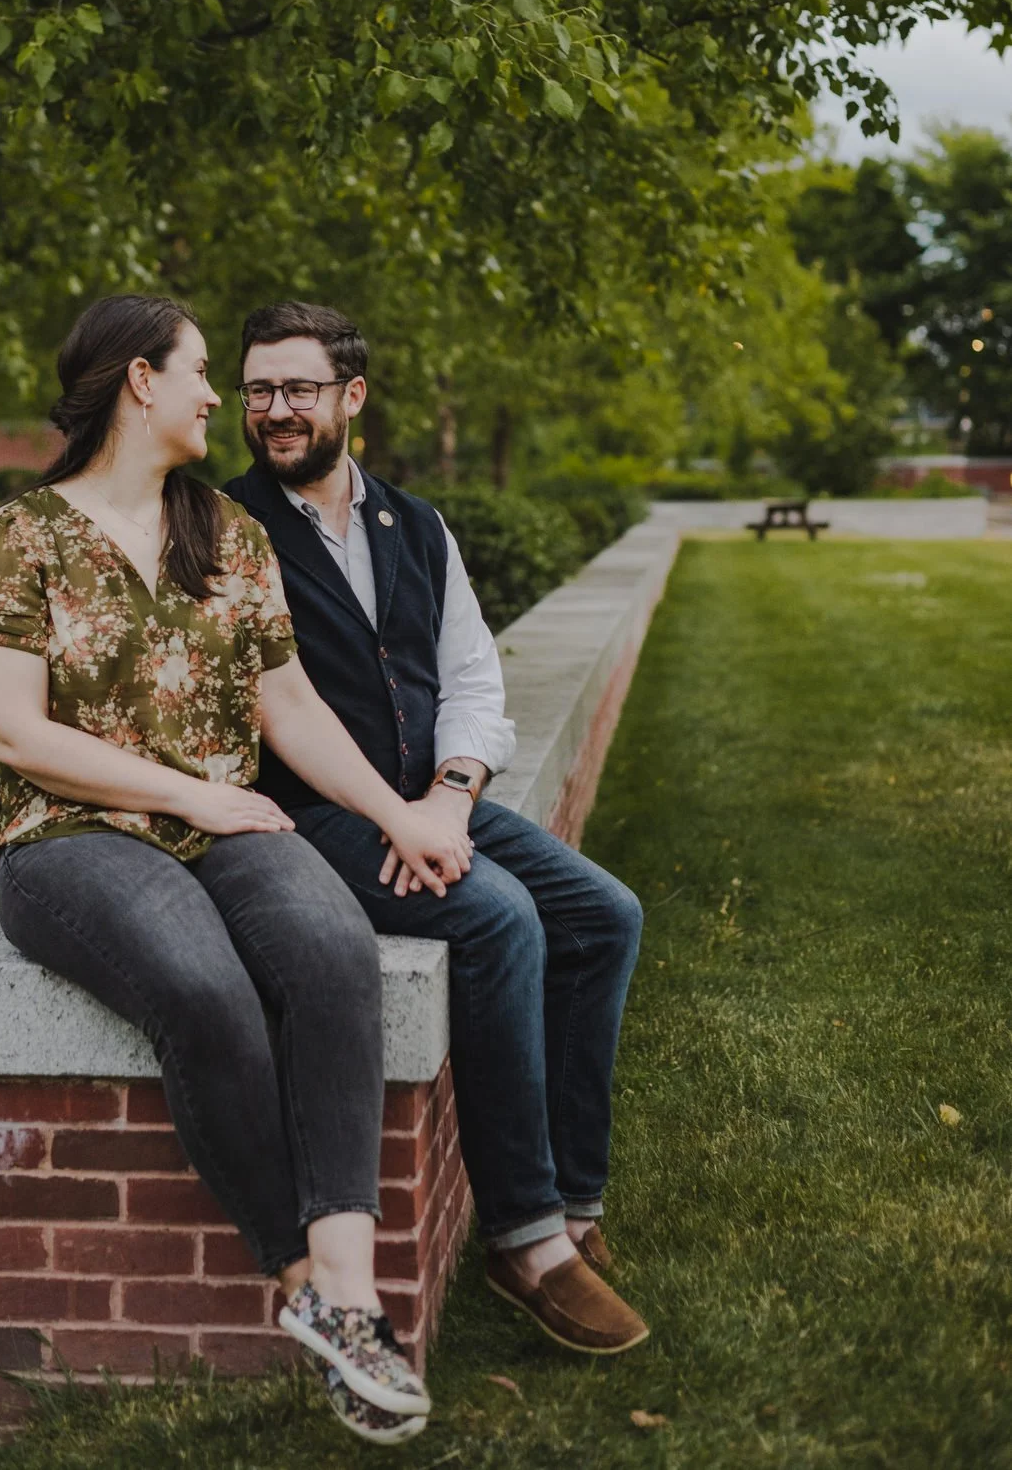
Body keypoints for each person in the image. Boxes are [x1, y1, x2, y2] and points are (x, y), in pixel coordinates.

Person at [0, 293, 473, 1444]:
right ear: (141, 380)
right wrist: (193, 792)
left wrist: (400, 813)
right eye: (202, 373)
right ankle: (293, 1277)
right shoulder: (20, 535)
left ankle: (350, 1299)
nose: (219, 398)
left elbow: (285, 706)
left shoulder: (227, 536)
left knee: (334, 947)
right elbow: (12, 731)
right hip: (68, 835)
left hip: (222, 827)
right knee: (202, 988)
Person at [225, 301, 649, 1357]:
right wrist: (401, 817)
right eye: (257, 390)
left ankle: (580, 1204)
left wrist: (453, 796)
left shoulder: (413, 523)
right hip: (312, 816)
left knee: (603, 913)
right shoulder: (221, 526)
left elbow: (470, 677)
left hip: (433, 797)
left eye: (298, 389)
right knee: (500, 920)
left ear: (351, 398)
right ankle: (528, 1236)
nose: (275, 410)